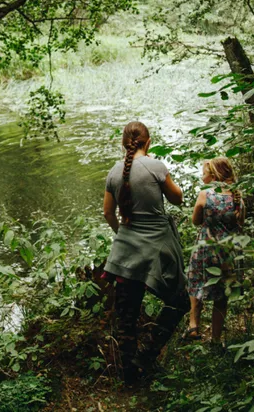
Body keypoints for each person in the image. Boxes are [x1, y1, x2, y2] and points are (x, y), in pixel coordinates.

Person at [102, 121, 190, 384]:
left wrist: (123, 234)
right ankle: (147, 357)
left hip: (124, 254)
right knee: (180, 301)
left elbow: (107, 213)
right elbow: (177, 198)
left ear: (123, 143)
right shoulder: (156, 167)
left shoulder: (114, 173)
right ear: (148, 142)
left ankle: (129, 375)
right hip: (157, 250)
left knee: (126, 317)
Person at [184, 157, 245, 346]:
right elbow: (241, 224)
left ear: (214, 175)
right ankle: (216, 339)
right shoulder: (238, 197)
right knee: (222, 296)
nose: (202, 176)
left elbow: (195, 221)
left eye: (204, 173)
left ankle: (194, 326)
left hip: (206, 248)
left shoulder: (205, 195)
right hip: (227, 252)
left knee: (195, 283)